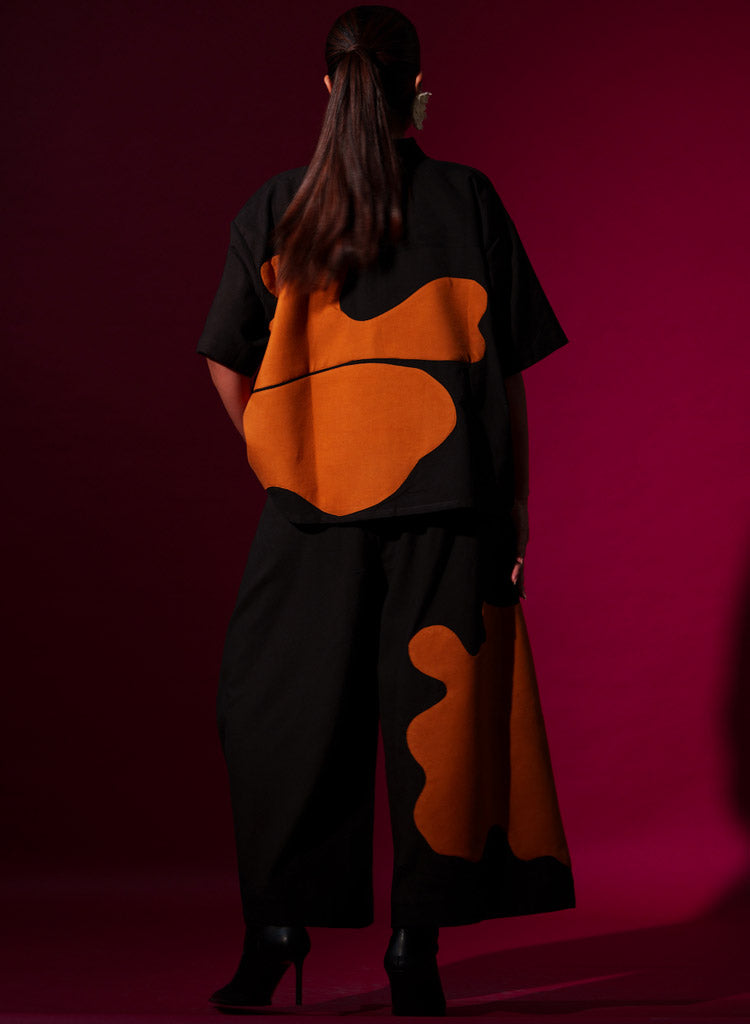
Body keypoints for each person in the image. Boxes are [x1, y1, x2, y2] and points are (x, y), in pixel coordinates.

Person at [196, 4, 575, 1016]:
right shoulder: (468, 197)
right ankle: (415, 946)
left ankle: (281, 926)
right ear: (417, 90)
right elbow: (505, 376)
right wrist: (517, 507)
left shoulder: (278, 207)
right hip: (453, 507)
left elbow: (224, 359)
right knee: (439, 725)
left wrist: (278, 455)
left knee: (279, 714)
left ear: (328, 88)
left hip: (313, 511)